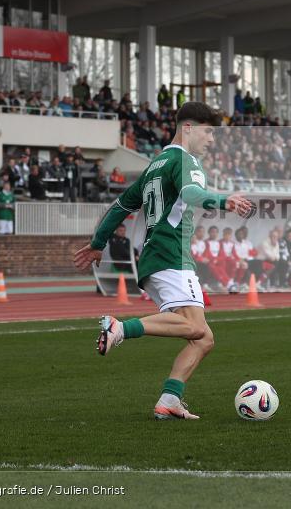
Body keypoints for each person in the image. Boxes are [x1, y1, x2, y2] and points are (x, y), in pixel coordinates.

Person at [74, 101, 252, 420]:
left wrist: (98, 243)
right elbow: (194, 194)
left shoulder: (155, 164)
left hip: (154, 257)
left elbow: (120, 207)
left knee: (204, 337)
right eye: (208, 131)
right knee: (195, 328)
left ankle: (170, 399)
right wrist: (224, 200)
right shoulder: (186, 161)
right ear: (188, 128)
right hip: (172, 254)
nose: (212, 139)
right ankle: (119, 328)